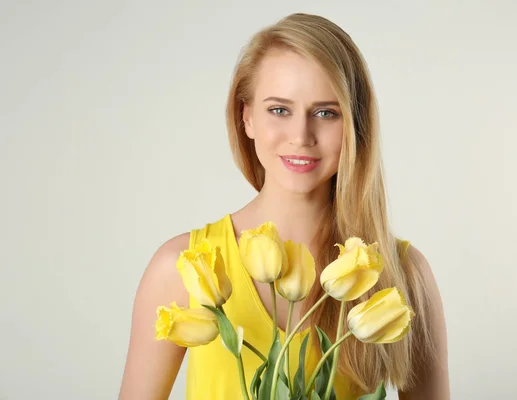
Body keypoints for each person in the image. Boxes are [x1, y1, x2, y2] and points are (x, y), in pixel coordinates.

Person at [119, 12, 449, 400]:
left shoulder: (403, 276)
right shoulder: (184, 267)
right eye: (279, 110)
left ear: (356, 125)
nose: (301, 136)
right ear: (247, 118)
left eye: (326, 113)